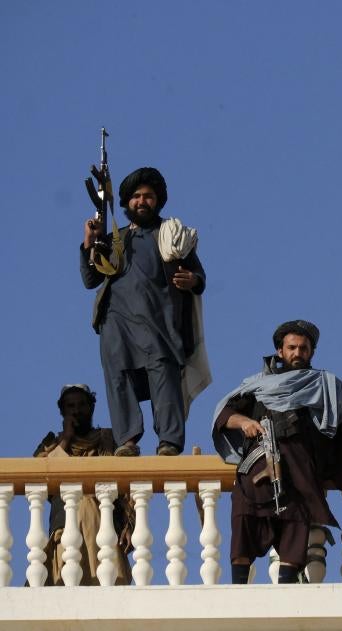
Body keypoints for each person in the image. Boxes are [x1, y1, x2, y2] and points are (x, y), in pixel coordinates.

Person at [79, 167, 210, 456]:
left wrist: (193, 280)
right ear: (126, 203)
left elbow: (198, 276)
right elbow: (91, 279)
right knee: (117, 375)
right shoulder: (117, 238)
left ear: (158, 200)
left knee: (163, 374)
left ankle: (169, 441)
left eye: (148, 196)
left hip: (159, 321)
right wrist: (90, 240)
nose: (142, 201)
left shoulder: (171, 235)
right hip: (116, 322)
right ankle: (126, 439)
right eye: (136, 196)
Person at [212, 320, 342, 584]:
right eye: (292, 348)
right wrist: (245, 422)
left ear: (311, 352)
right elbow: (224, 415)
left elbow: (341, 428)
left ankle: (287, 590)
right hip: (256, 467)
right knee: (243, 521)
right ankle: (238, 595)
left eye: (303, 348)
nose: (297, 353)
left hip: (299, 472)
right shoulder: (258, 386)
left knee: (294, 528)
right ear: (280, 351)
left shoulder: (323, 386)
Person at [33, 384, 134, 585]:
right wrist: (66, 439)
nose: (76, 411)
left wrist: (130, 524)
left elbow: (127, 488)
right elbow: (44, 477)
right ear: (62, 410)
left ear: (92, 408)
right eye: (70, 406)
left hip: (103, 526)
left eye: (82, 405)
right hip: (66, 527)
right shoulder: (50, 444)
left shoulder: (108, 440)